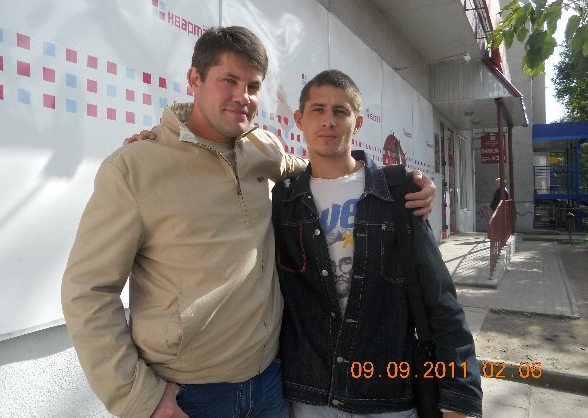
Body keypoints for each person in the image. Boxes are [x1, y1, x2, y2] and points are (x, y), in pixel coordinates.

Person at [62, 26, 437, 418]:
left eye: (253, 86)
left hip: (271, 385)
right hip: (191, 396)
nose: (243, 96)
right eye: (229, 80)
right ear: (195, 79)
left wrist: (397, 182)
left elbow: (319, 170)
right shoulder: (135, 168)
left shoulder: (262, 150)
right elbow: (88, 290)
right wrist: (140, 398)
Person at [272, 70, 482, 417]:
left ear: (358, 122)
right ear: (299, 119)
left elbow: (439, 299)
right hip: (309, 396)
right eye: (318, 109)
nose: (328, 121)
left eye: (340, 111)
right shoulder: (283, 199)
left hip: (385, 395)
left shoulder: (396, 193)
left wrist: (459, 394)